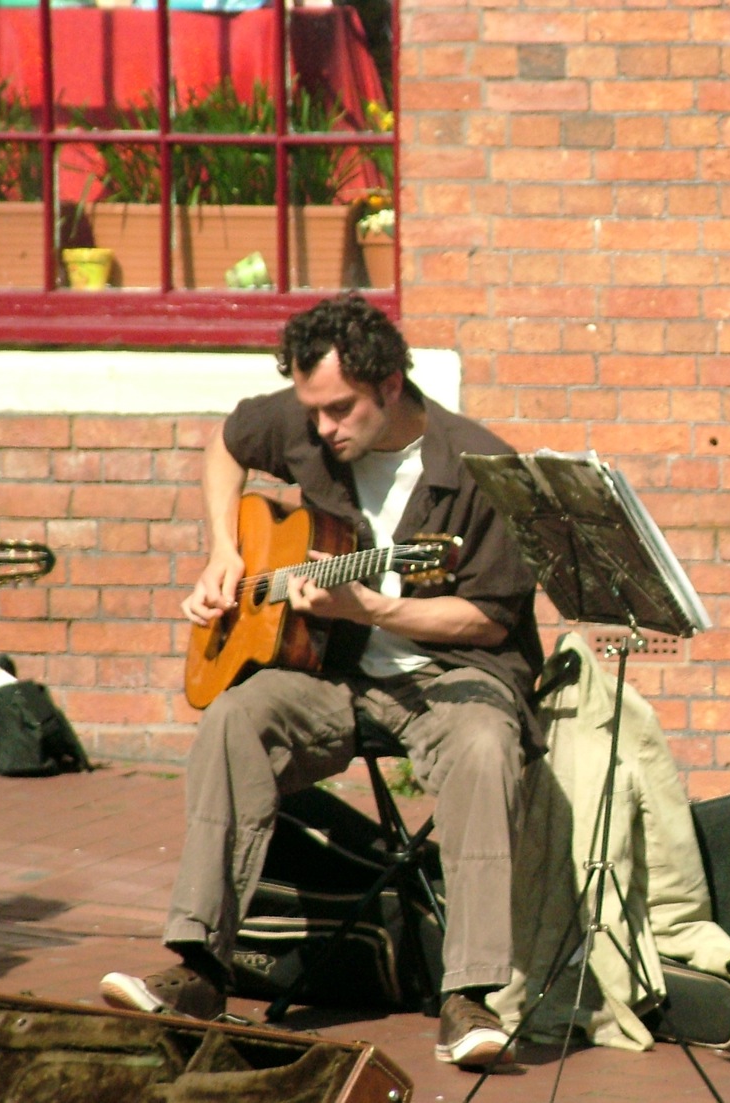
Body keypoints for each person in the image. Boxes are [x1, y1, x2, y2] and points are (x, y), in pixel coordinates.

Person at [99, 294, 543, 1070]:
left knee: (482, 748)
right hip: (328, 668)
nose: (325, 427)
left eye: (340, 409)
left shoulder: (479, 469)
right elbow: (227, 444)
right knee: (237, 715)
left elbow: (489, 621)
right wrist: (223, 551)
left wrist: (371, 604)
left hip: (452, 675)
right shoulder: (303, 419)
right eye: (314, 409)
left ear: (391, 386)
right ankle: (201, 970)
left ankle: (469, 995)